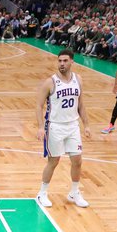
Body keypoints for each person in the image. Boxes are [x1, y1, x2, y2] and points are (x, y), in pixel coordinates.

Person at [36, 48, 92, 208]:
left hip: (73, 125)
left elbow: (81, 104)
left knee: (77, 161)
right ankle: (42, 193)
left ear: (72, 61)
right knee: (54, 161)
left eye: (65, 60)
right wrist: (41, 127)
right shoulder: (50, 82)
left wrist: (86, 125)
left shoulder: (78, 79)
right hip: (55, 126)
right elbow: (39, 105)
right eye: (59, 61)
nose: (62, 63)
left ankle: (74, 192)